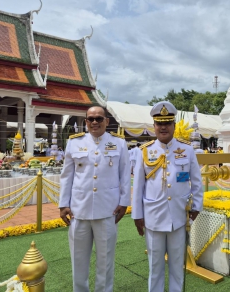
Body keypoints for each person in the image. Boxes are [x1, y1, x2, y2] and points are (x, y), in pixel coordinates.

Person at [132, 101, 203, 292]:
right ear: (154, 126)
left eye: (167, 123)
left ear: (173, 125)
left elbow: (196, 181)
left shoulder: (187, 150)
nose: (163, 127)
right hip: (153, 218)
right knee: (155, 267)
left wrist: (197, 206)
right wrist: (137, 215)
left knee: (177, 266)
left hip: (179, 217)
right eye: (159, 123)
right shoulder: (144, 151)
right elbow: (138, 186)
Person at [59, 105, 130, 292]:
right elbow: (67, 176)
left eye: (99, 118)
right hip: (78, 211)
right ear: (85, 122)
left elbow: (124, 175)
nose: (95, 122)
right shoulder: (74, 143)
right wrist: (63, 204)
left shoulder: (119, 143)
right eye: (90, 119)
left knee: (105, 261)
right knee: (78, 260)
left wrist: (124, 203)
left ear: (107, 121)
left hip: (108, 210)